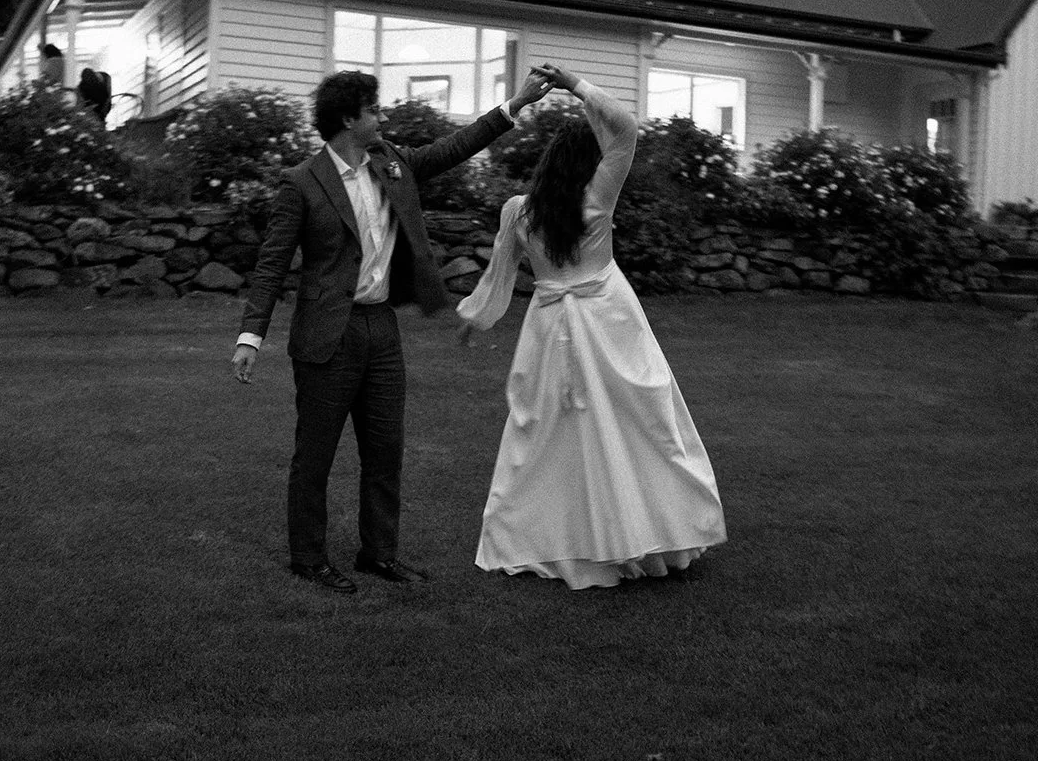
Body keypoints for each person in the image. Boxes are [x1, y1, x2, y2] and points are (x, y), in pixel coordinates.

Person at [233, 68, 555, 593]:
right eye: (373, 110)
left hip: (381, 330)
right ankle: (308, 558)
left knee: (385, 450)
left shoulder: (391, 164)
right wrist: (251, 337)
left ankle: (378, 554)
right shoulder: (301, 183)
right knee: (314, 454)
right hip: (325, 336)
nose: (380, 117)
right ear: (348, 119)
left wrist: (514, 105)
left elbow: (453, 148)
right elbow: (271, 265)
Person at [455, 62, 725, 590]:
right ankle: (647, 533)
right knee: (638, 427)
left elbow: (497, 280)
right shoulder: (597, 200)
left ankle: (552, 533)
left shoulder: (518, 211)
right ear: (590, 163)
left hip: (551, 326)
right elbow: (625, 128)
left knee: (548, 437)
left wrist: (474, 319)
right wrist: (575, 84)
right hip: (609, 323)